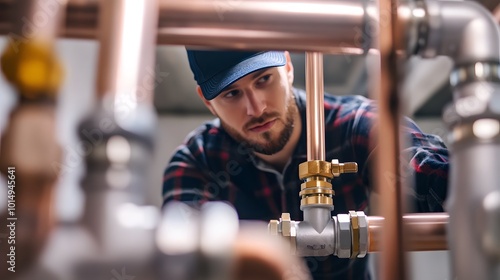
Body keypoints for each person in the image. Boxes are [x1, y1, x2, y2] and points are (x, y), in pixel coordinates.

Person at [162, 49, 449, 280]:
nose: (256, 108)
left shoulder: (354, 126)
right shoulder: (197, 161)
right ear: (208, 102)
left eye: (263, 79)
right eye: (231, 94)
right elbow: (181, 260)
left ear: (288, 66)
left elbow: (426, 171)